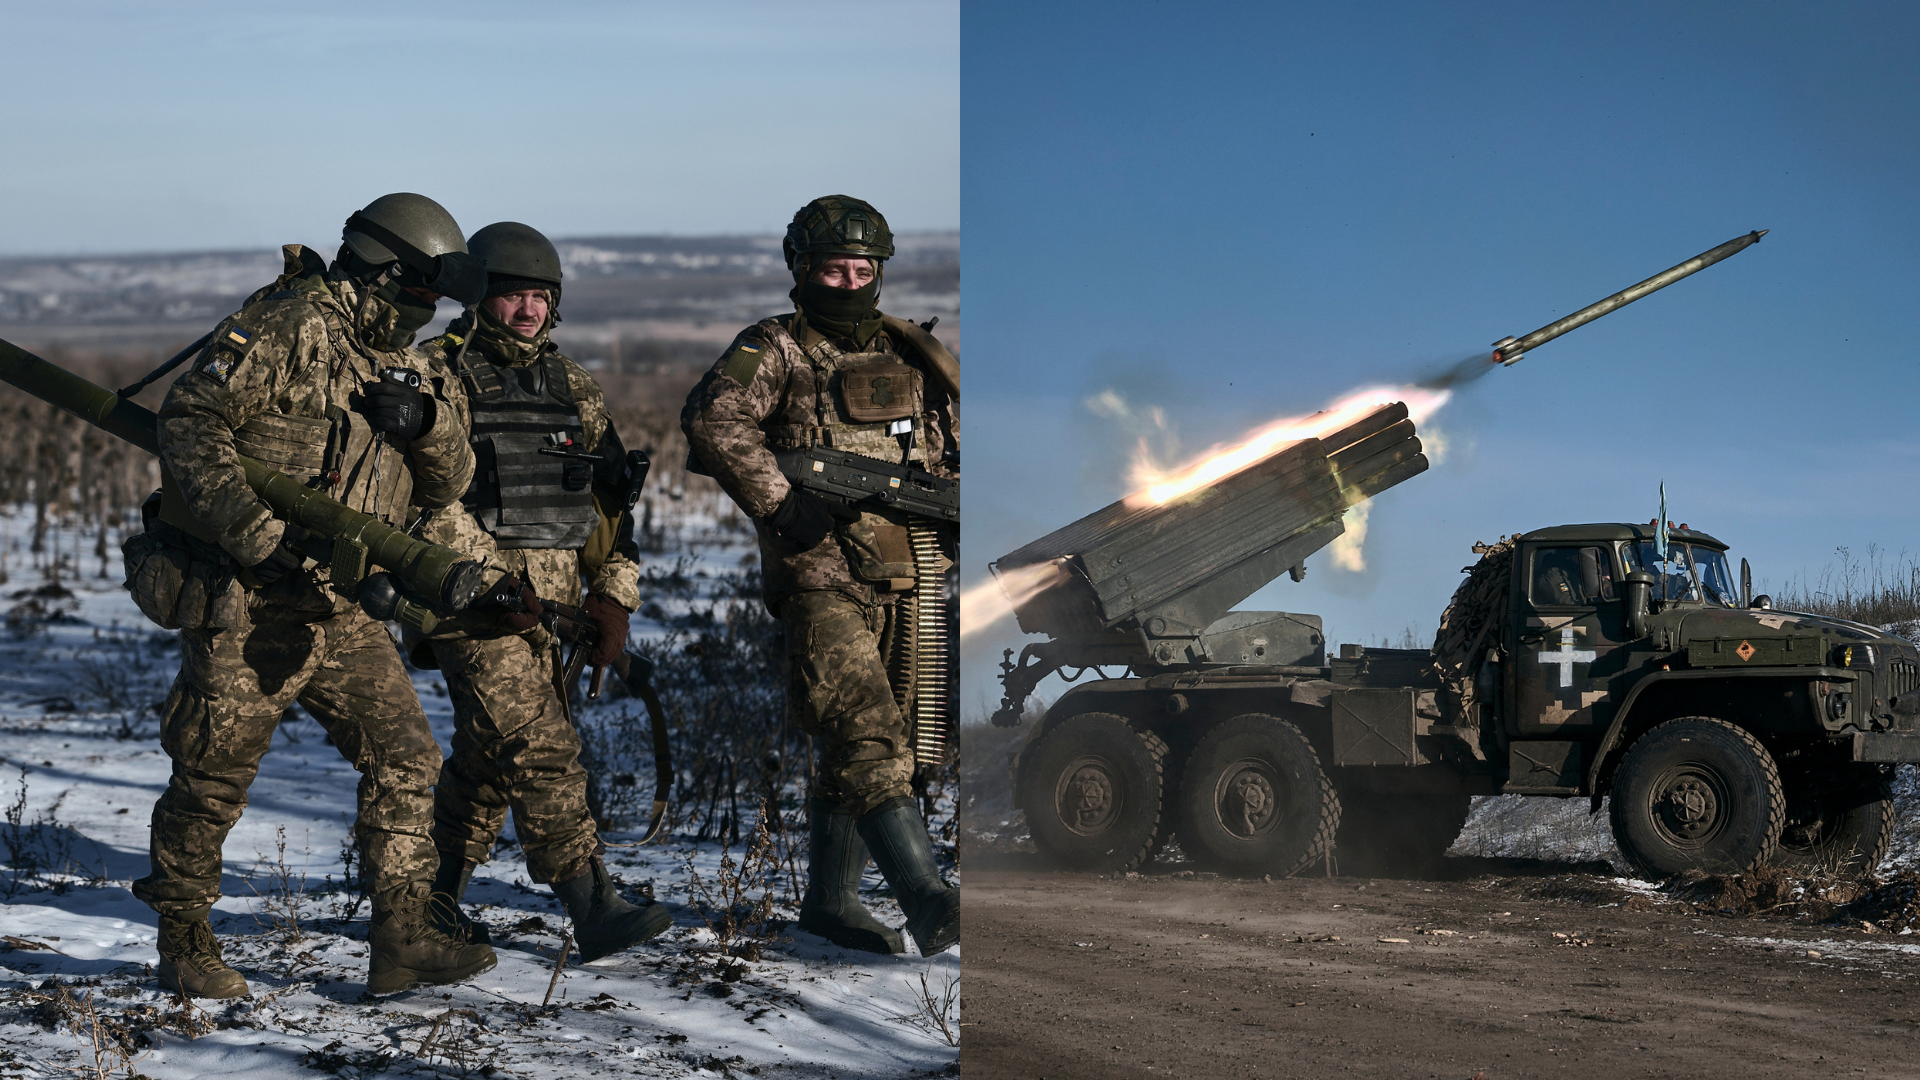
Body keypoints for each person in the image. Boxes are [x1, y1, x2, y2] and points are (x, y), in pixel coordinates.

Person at [132, 193, 497, 998]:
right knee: (212, 775)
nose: (427, 312)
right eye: (420, 292)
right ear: (382, 270)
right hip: (251, 602)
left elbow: (452, 482)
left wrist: (426, 422)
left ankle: (402, 937)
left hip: (345, 607)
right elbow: (190, 425)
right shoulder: (288, 328)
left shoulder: (410, 358)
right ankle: (184, 938)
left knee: (407, 760)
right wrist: (262, 540)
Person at [681, 195, 960, 955]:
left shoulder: (912, 356)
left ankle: (832, 907)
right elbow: (713, 419)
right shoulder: (776, 346)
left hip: (907, 570)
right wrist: (779, 505)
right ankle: (929, 898)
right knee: (867, 735)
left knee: (886, 743)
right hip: (819, 572)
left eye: (862, 268)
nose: (848, 280)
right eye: (832, 267)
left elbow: (948, 452)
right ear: (801, 268)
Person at [410, 221, 670, 961]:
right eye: (512, 295)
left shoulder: (570, 383)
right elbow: (427, 502)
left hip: (555, 612)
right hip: (471, 603)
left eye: (540, 296)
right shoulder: (436, 373)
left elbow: (612, 511)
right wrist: (490, 583)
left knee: (489, 764)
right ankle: (592, 905)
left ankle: (428, 898)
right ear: (477, 297)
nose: (528, 310)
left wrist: (613, 597)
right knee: (539, 748)